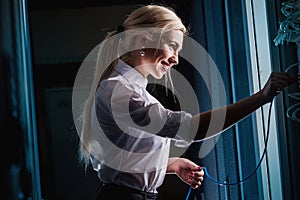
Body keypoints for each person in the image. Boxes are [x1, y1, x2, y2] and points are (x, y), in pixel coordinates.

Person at [76, 4, 296, 200]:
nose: (176, 59)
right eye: (172, 46)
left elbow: (127, 155)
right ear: (143, 41)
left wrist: (171, 164)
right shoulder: (120, 91)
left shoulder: (127, 89)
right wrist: (260, 98)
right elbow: (191, 129)